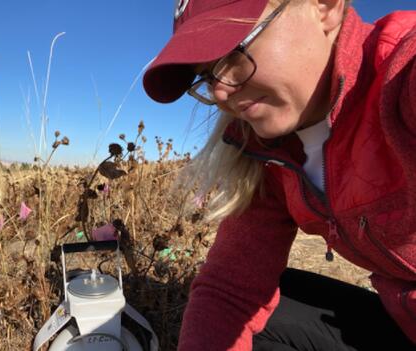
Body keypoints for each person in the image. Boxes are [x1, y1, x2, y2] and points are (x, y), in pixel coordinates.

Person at [143, 0, 416, 350]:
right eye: (208, 74)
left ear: (325, 8)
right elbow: (230, 290)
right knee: (256, 314)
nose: (221, 92)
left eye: (233, 52)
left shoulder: (400, 76)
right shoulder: (268, 152)